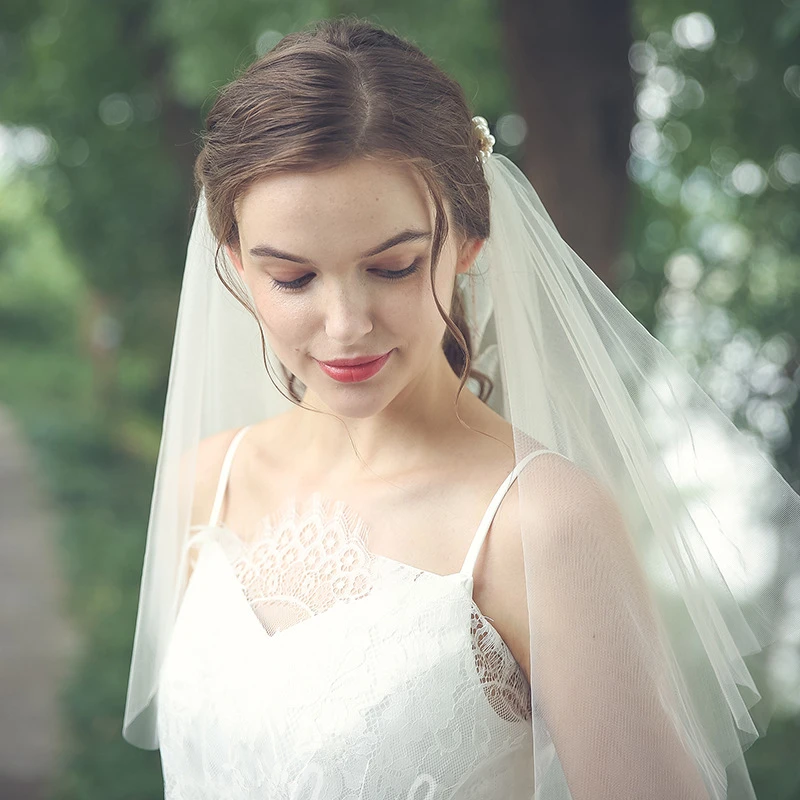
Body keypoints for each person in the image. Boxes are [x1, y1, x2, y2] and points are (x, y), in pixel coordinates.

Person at [123, 16, 794, 800]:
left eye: (393, 267)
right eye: (294, 279)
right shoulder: (212, 481)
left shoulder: (539, 522)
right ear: (237, 265)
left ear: (468, 241)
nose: (345, 325)